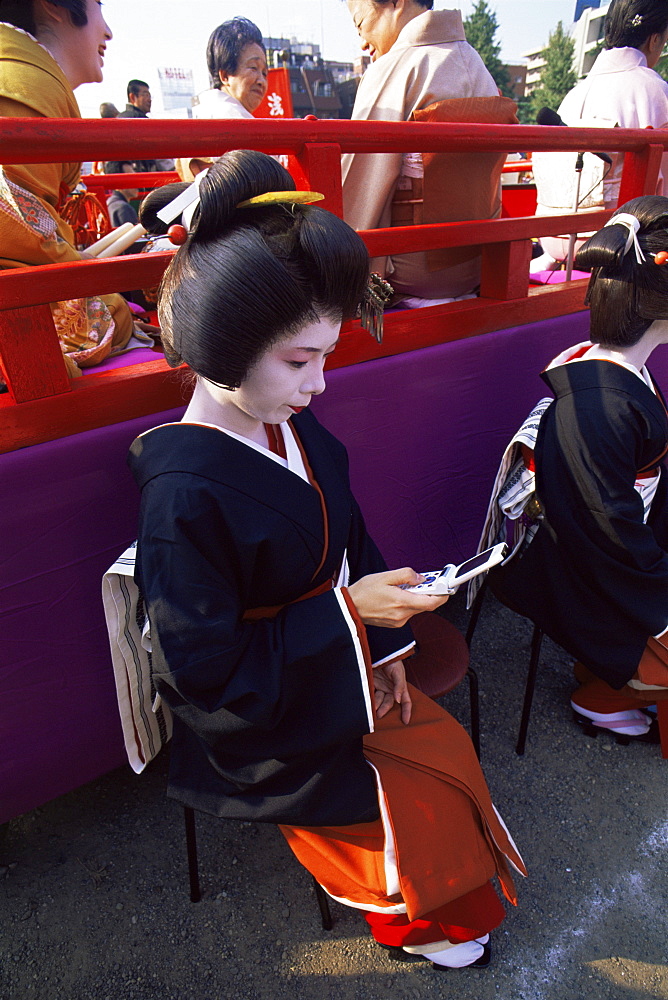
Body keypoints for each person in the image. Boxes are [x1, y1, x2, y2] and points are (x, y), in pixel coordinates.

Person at [129, 149, 525, 969]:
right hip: (264, 714)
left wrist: (380, 651)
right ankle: (414, 918)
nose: (318, 384)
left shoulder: (288, 422)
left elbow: (347, 536)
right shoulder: (182, 494)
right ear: (219, 346)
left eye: (325, 357)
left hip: (324, 664)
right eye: (299, 360)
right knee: (411, 795)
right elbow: (203, 671)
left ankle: (439, 896)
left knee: (442, 749)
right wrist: (347, 622)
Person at [490, 196, 668, 743]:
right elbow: (602, 530)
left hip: (614, 548)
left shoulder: (616, 375)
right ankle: (601, 695)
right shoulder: (601, 406)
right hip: (583, 571)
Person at [341, 0, 516, 305]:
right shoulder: (477, 66)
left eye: (361, 23)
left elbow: (355, 192)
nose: (362, 41)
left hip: (410, 275)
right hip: (478, 263)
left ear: (396, 3)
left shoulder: (394, 68)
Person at [0, 0, 138, 376]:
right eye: (98, 5)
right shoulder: (23, 83)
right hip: (13, 296)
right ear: (52, 6)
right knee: (112, 316)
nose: (107, 30)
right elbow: (21, 231)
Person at [531, 0, 668, 271]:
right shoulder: (655, 90)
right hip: (622, 246)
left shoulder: (574, 93)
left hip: (555, 239)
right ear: (654, 40)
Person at [176, 18, 268, 183]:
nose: (261, 80)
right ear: (225, 76)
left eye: (264, 73)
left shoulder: (204, 110)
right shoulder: (231, 115)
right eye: (253, 68)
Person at [103, 160, 139, 228]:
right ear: (117, 181)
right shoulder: (123, 208)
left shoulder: (110, 203)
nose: (136, 181)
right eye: (130, 177)